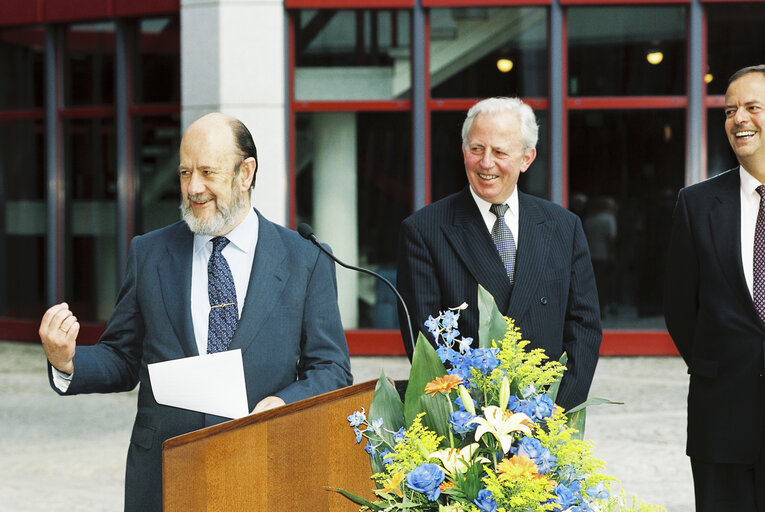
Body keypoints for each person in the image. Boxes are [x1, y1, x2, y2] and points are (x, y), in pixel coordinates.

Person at [38, 112, 353, 512]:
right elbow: (121, 356)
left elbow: (331, 370)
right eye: (185, 173)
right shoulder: (149, 252)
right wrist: (66, 360)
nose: (194, 188)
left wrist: (282, 404)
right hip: (165, 474)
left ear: (246, 173)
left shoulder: (304, 259)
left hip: (265, 467)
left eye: (207, 172)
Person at [396, 97, 601, 411]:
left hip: (547, 420)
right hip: (467, 422)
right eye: (476, 148)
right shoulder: (424, 231)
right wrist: (478, 416)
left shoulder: (564, 227)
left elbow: (584, 327)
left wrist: (555, 411)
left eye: (500, 152)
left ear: (526, 158)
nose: (486, 163)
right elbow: (425, 342)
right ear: (464, 150)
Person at [664, 65, 765, 511]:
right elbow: (679, 306)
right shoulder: (697, 203)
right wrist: (720, 362)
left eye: (752, 107)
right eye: (729, 110)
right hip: (721, 419)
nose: (739, 118)